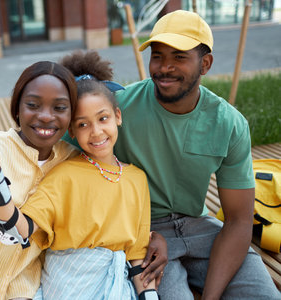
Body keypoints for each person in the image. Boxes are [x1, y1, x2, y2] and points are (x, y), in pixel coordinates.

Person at [110, 9, 280, 299]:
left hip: (199, 225)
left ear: (206, 64)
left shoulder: (229, 123)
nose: (164, 67)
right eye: (158, 55)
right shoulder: (117, 110)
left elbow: (239, 220)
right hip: (142, 232)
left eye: (179, 57)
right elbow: (63, 154)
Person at [0, 50, 160, 300]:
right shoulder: (64, 174)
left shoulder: (137, 179)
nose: (96, 131)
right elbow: (21, 230)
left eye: (103, 118)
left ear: (117, 117)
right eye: (83, 124)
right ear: (72, 131)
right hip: (68, 283)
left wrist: (149, 295)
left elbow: (136, 254)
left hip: (118, 286)